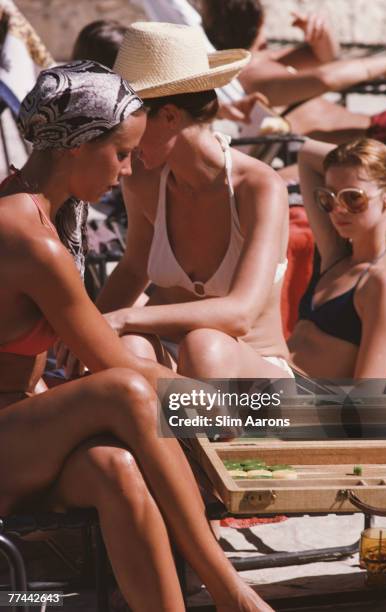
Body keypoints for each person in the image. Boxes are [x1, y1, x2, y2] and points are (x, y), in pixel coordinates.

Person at [0, 59, 274, 612]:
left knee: (117, 470)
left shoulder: (44, 211)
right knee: (126, 390)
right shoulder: (29, 236)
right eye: (121, 153)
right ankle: (230, 590)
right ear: (77, 145)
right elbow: (113, 367)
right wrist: (220, 408)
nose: (127, 171)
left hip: (24, 433)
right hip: (11, 437)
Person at [95, 21, 293, 382]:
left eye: (127, 118)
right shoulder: (142, 179)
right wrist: (86, 334)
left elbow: (240, 315)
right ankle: (177, 436)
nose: (119, 134)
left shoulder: (259, 186)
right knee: (128, 348)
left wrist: (124, 318)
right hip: (176, 369)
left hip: (254, 374)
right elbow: (133, 268)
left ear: (169, 116)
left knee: (205, 346)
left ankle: (181, 433)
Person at [142, 0, 386, 145]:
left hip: (377, 127)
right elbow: (325, 77)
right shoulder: (248, 75)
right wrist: (383, 64)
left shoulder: (268, 61)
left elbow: (324, 58)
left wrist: (321, 35)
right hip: (369, 138)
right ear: (260, 22)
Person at [288, 137, 386, 380]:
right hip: (273, 385)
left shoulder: (384, 282)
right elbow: (306, 154)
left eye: (353, 198)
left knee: (208, 347)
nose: (338, 209)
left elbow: (367, 398)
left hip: (304, 404)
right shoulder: (336, 256)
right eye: (329, 198)